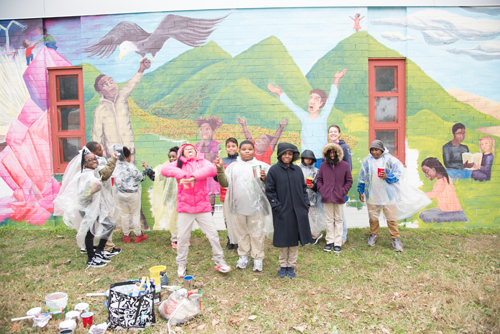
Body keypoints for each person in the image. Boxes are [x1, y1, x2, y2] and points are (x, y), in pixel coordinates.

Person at [161, 143, 231, 277]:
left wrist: (194, 176)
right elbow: (164, 170)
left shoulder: (202, 162)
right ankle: (181, 264)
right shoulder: (178, 164)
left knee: (213, 235)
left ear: (196, 151)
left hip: (202, 207)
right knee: (182, 238)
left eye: (191, 149)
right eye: (186, 150)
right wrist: (182, 174)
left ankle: (219, 261)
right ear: (182, 154)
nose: (189, 150)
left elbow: (211, 170)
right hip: (185, 208)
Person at [268, 69, 347, 168]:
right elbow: (292, 106)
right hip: (306, 158)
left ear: (321, 104)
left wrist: (336, 79)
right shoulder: (304, 117)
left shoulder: (323, 117)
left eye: (316, 99)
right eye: (311, 97)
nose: (312, 101)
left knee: (319, 181)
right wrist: (280, 93)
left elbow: (332, 98)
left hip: (320, 158)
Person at [215, 140, 272, 272]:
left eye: (250, 149)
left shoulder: (261, 166)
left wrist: (265, 179)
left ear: (254, 151)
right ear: (239, 151)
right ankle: (243, 255)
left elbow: (270, 185)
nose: (247, 151)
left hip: (257, 207)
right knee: (241, 232)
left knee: (257, 232)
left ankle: (258, 258)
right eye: (244, 149)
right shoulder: (233, 167)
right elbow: (224, 184)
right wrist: (219, 169)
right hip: (238, 206)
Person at [266, 143, 312, 279]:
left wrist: (306, 203)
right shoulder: (274, 170)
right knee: (283, 239)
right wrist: (277, 206)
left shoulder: (297, 170)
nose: (287, 156)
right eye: (285, 153)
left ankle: (291, 265)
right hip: (281, 211)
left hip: (297, 211)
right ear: (280, 155)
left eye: (290, 154)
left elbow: (304, 189)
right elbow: (270, 191)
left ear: (293, 156)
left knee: (293, 240)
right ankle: (283, 265)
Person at [92, 58, 151, 163]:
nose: (111, 85)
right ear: (100, 91)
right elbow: (97, 136)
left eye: (111, 81)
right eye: (105, 84)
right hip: (113, 157)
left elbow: (130, 85)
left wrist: (141, 69)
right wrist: (103, 157)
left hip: (129, 153)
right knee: (116, 179)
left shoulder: (122, 97)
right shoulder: (100, 110)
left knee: (132, 177)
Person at [357, 140, 404, 252]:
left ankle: (395, 238)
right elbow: (362, 177)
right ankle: (373, 235)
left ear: (382, 150)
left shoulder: (390, 160)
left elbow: (398, 174)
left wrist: (388, 176)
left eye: (376, 150)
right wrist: (361, 191)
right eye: (372, 150)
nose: (374, 152)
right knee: (373, 217)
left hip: (388, 195)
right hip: (372, 194)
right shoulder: (367, 161)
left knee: (391, 218)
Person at [85, 141, 121, 257]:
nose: (102, 152)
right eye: (99, 150)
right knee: (107, 224)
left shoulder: (95, 164)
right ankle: (106, 248)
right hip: (99, 200)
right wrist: (113, 159)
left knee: (104, 224)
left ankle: (103, 247)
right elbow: (105, 174)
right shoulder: (94, 167)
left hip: (101, 198)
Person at [112, 145, 153, 243]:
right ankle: (138, 235)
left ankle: (126, 235)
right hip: (132, 194)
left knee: (124, 214)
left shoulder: (115, 167)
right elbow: (140, 178)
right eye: (130, 156)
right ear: (126, 157)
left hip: (120, 194)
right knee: (135, 214)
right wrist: (146, 171)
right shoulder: (131, 167)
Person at [317, 143, 353, 253]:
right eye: (330, 153)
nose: (332, 155)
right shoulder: (323, 166)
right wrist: (322, 190)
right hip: (327, 196)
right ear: (326, 154)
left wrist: (343, 191)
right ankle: (329, 241)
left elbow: (349, 181)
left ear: (338, 153)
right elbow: (319, 180)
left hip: (339, 197)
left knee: (338, 219)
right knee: (329, 220)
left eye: (334, 152)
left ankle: (338, 242)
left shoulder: (345, 165)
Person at [149, 146, 181, 248]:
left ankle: (183, 238)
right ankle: (175, 239)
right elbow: (159, 176)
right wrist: (149, 170)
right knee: (172, 218)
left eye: (174, 156)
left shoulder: (183, 166)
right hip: (170, 199)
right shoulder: (166, 167)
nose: (171, 159)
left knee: (182, 219)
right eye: (170, 157)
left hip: (181, 198)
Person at [420, 157, 468, 223]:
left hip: (453, 213)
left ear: (433, 169)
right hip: (444, 211)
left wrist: (419, 194)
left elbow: (433, 194)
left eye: (427, 172)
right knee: (422, 214)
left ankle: (457, 219)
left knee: (426, 216)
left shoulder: (442, 181)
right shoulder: (444, 179)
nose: (426, 175)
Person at [328, 125, 352, 245]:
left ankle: (342, 235)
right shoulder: (327, 148)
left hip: (339, 186)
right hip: (329, 187)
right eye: (330, 132)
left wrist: (344, 187)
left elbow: (349, 167)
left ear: (339, 133)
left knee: (339, 213)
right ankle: (333, 236)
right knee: (331, 213)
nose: (333, 133)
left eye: (335, 131)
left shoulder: (344, 147)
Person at [194, 116, 223, 214]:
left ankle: (210, 219)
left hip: (210, 176)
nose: (204, 131)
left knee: (210, 200)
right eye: (201, 129)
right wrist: (202, 144)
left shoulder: (216, 144)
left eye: (207, 129)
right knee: (201, 199)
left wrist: (205, 146)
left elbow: (209, 158)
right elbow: (195, 156)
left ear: (213, 131)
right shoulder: (198, 144)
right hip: (201, 175)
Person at [215, 138, 240, 251]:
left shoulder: (241, 160)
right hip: (225, 194)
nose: (231, 148)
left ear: (237, 148)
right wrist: (217, 169)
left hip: (239, 194)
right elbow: (217, 178)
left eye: (233, 146)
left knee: (238, 218)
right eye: (229, 146)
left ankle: (239, 241)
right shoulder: (221, 161)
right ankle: (230, 239)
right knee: (227, 218)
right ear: (226, 148)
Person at [298, 150, 325, 245]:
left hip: (312, 198)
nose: (308, 160)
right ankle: (304, 235)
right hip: (300, 197)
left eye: (310, 159)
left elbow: (320, 185)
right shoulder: (297, 169)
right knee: (302, 217)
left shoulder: (316, 171)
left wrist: (314, 186)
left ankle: (315, 235)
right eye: (306, 158)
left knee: (312, 217)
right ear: (302, 159)